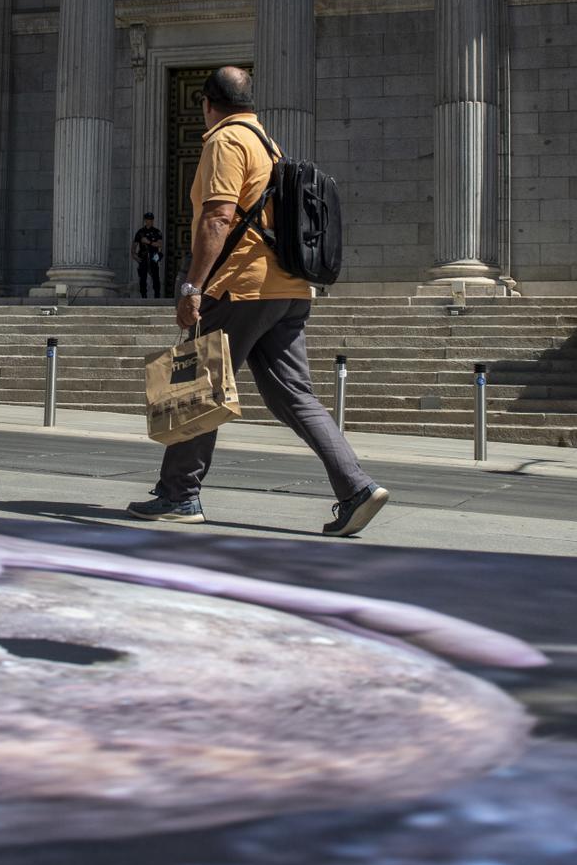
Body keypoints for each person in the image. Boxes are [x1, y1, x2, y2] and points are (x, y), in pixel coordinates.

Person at [126, 66, 390, 536]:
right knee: (294, 395)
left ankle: (179, 494)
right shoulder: (269, 144)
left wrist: (192, 286)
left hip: (239, 287)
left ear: (207, 104)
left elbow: (217, 216)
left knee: (199, 387)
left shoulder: (225, 140)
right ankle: (356, 487)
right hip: (288, 289)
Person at [132, 212, 165, 298]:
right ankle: (143, 295)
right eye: (147, 219)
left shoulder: (157, 232)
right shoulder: (140, 232)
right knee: (142, 277)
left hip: (154, 256)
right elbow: (134, 245)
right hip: (143, 256)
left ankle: (157, 295)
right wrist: (134, 255)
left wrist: (148, 242)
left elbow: (159, 244)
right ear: (145, 220)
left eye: (150, 219)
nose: (149, 221)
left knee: (155, 276)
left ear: (153, 220)